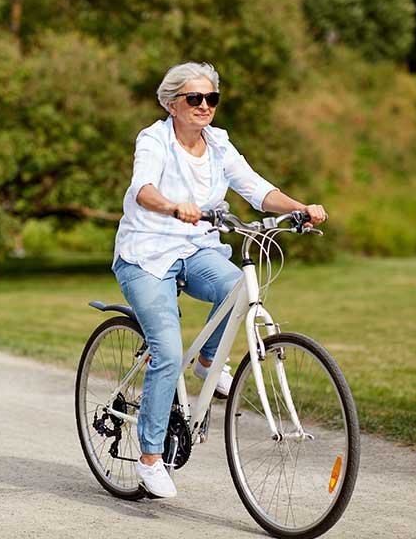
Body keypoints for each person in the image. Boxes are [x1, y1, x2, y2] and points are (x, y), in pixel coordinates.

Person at [112, 62, 327, 498]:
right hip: (146, 256)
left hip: (197, 249)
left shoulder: (219, 144)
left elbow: (256, 189)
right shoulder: (154, 140)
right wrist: (174, 207)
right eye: (195, 98)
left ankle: (209, 362)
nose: (205, 106)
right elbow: (142, 189)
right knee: (167, 352)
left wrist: (299, 207)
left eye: (212, 98)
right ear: (173, 104)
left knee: (239, 288)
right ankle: (150, 459)